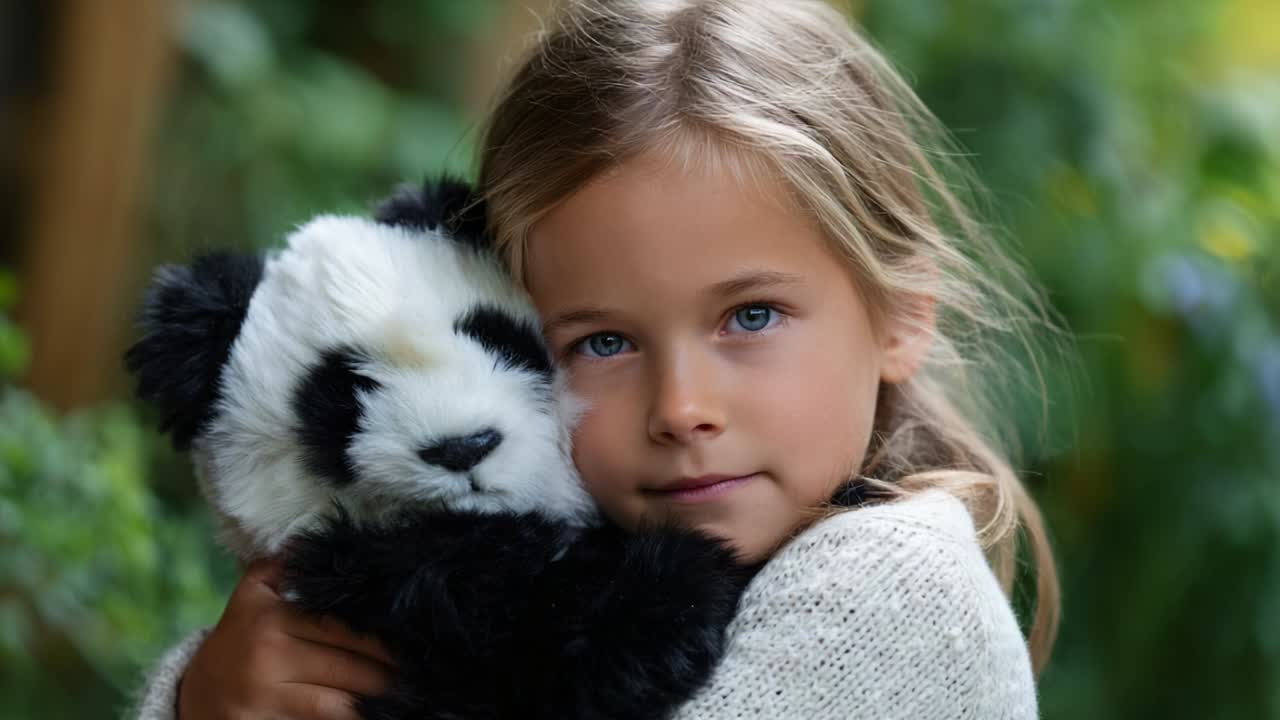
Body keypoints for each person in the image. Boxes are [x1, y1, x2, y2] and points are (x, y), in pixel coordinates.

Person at [133, 0, 1064, 717]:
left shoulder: (894, 587)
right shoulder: (578, 563)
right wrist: (210, 696)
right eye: (603, 343)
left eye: (751, 316)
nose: (681, 407)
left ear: (898, 313)